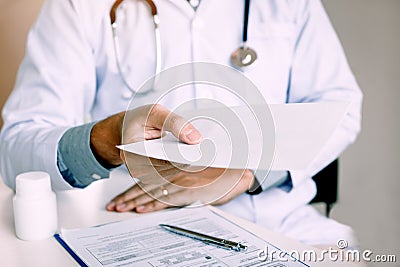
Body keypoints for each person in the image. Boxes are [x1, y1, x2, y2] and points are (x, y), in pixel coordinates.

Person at [0, 0, 362, 248]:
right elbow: (17, 145)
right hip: (129, 227)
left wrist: (249, 174)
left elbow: (341, 109)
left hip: (275, 222)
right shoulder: (78, 6)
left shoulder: (291, 4)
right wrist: (106, 140)